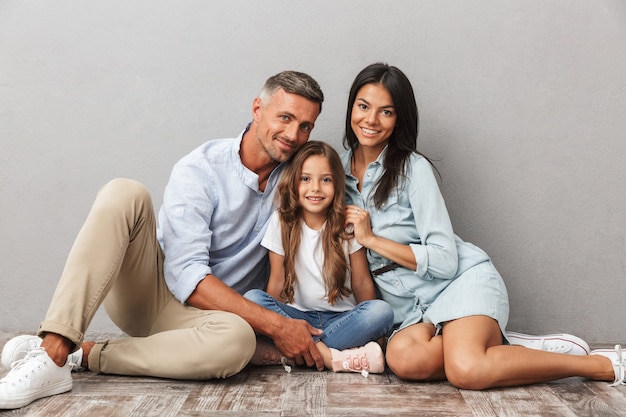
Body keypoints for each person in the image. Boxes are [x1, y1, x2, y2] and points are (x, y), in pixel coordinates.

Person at [0, 70, 326, 410]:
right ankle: (53, 348)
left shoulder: (301, 179)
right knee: (124, 192)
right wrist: (278, 325)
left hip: (213, 322)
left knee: (237, 341)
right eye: (285, 117)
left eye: (306, 126)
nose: (293, 134)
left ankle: (80, 356)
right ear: (258, 109)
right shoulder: (201, 168)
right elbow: (189, 276)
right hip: (153, 296)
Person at [340, 62, 625, 389]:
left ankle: (600, 365)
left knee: (467, 370)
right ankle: (503, 347)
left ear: (399, 118)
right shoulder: (337, 176)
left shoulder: (412, 169)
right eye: (363, 106)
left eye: (386, 111)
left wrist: (372, 238)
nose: (371, 120)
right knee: (403, 360)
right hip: (415, 315)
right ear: (351, 108)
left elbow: (446, 261)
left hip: (461, 283)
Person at [244, 141, 394, 376]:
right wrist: (273, 326)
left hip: (342, 320)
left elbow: (362, 283)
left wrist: (373, 326)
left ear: (336, 185)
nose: (315, 188)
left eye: (325, 180)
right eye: (305, 179)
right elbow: (276, 283)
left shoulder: (347, 226)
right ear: (294, 182)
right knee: (253, 299)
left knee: (381, 312)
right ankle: (333, 358)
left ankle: (295, 354)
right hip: (296, 319)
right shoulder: (281, 221)